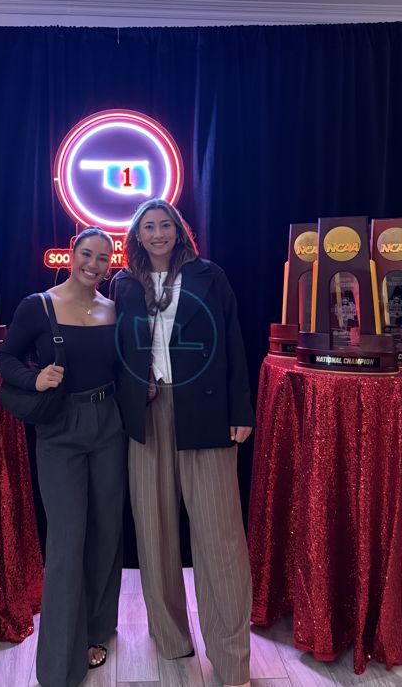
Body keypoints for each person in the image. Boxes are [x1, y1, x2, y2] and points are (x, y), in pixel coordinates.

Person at [111, 199, 254, 687]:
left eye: (165, 225)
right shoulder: (124, 283)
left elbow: (233, 342)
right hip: (147, 416)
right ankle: (171, 641)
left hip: (206, 413)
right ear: (136, 235)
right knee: (153, 533)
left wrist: (240, 411)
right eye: (148, 227)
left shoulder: (210, 276)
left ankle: (232, 661)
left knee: (220, 539)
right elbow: (117, 350)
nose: (157, 234)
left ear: (179, 231)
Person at [0, 227, 125, 687]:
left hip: (109, 424)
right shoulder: (39, 305)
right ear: (71, 255)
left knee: (106, 532)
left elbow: (122, 366)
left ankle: (96, 631)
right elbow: (5, 360)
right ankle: (58, 667)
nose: (94, 264)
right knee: (67, 542)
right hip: (61, 429)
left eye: (103, 258)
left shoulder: (113, 308)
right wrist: (34, 380)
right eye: (86, 254)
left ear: (111, 262)